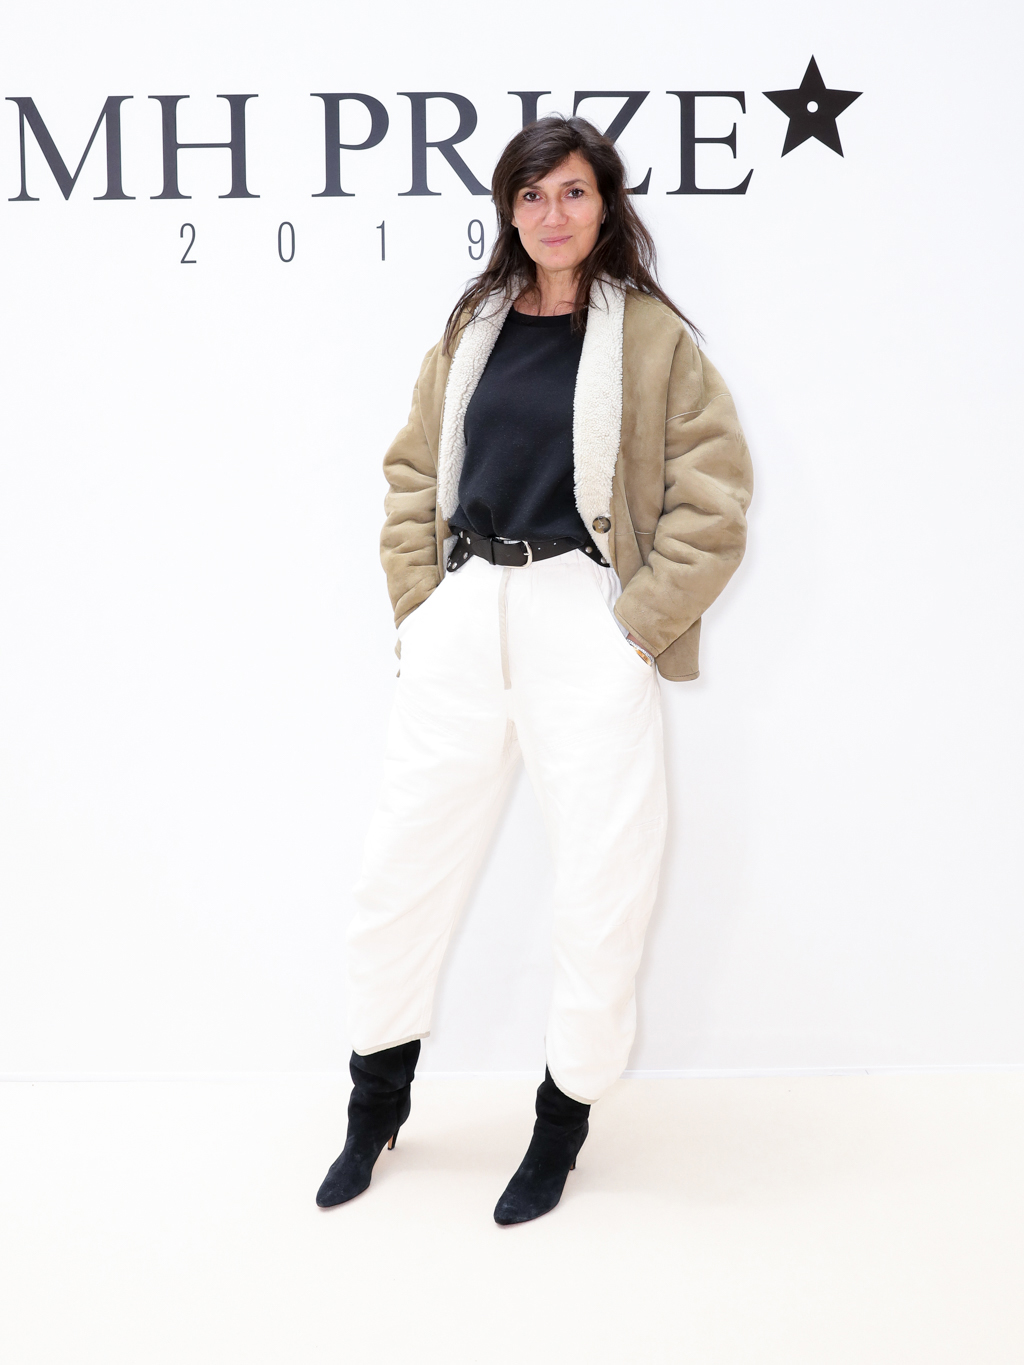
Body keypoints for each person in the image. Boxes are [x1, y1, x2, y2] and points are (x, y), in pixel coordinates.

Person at [316, 115, 753, 1224]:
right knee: (400, 869)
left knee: (604, 881)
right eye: (531, 195)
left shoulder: (652, 338)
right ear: (508, 211)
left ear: (604, 205)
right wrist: (421, 608)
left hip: (581, 617)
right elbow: (413, 471)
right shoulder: (472, 327)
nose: (552, 214)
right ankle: (375, 1104)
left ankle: (561, 1124)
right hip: (466, 612)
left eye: (571, 192)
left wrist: (634, 630)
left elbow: (714, 499)